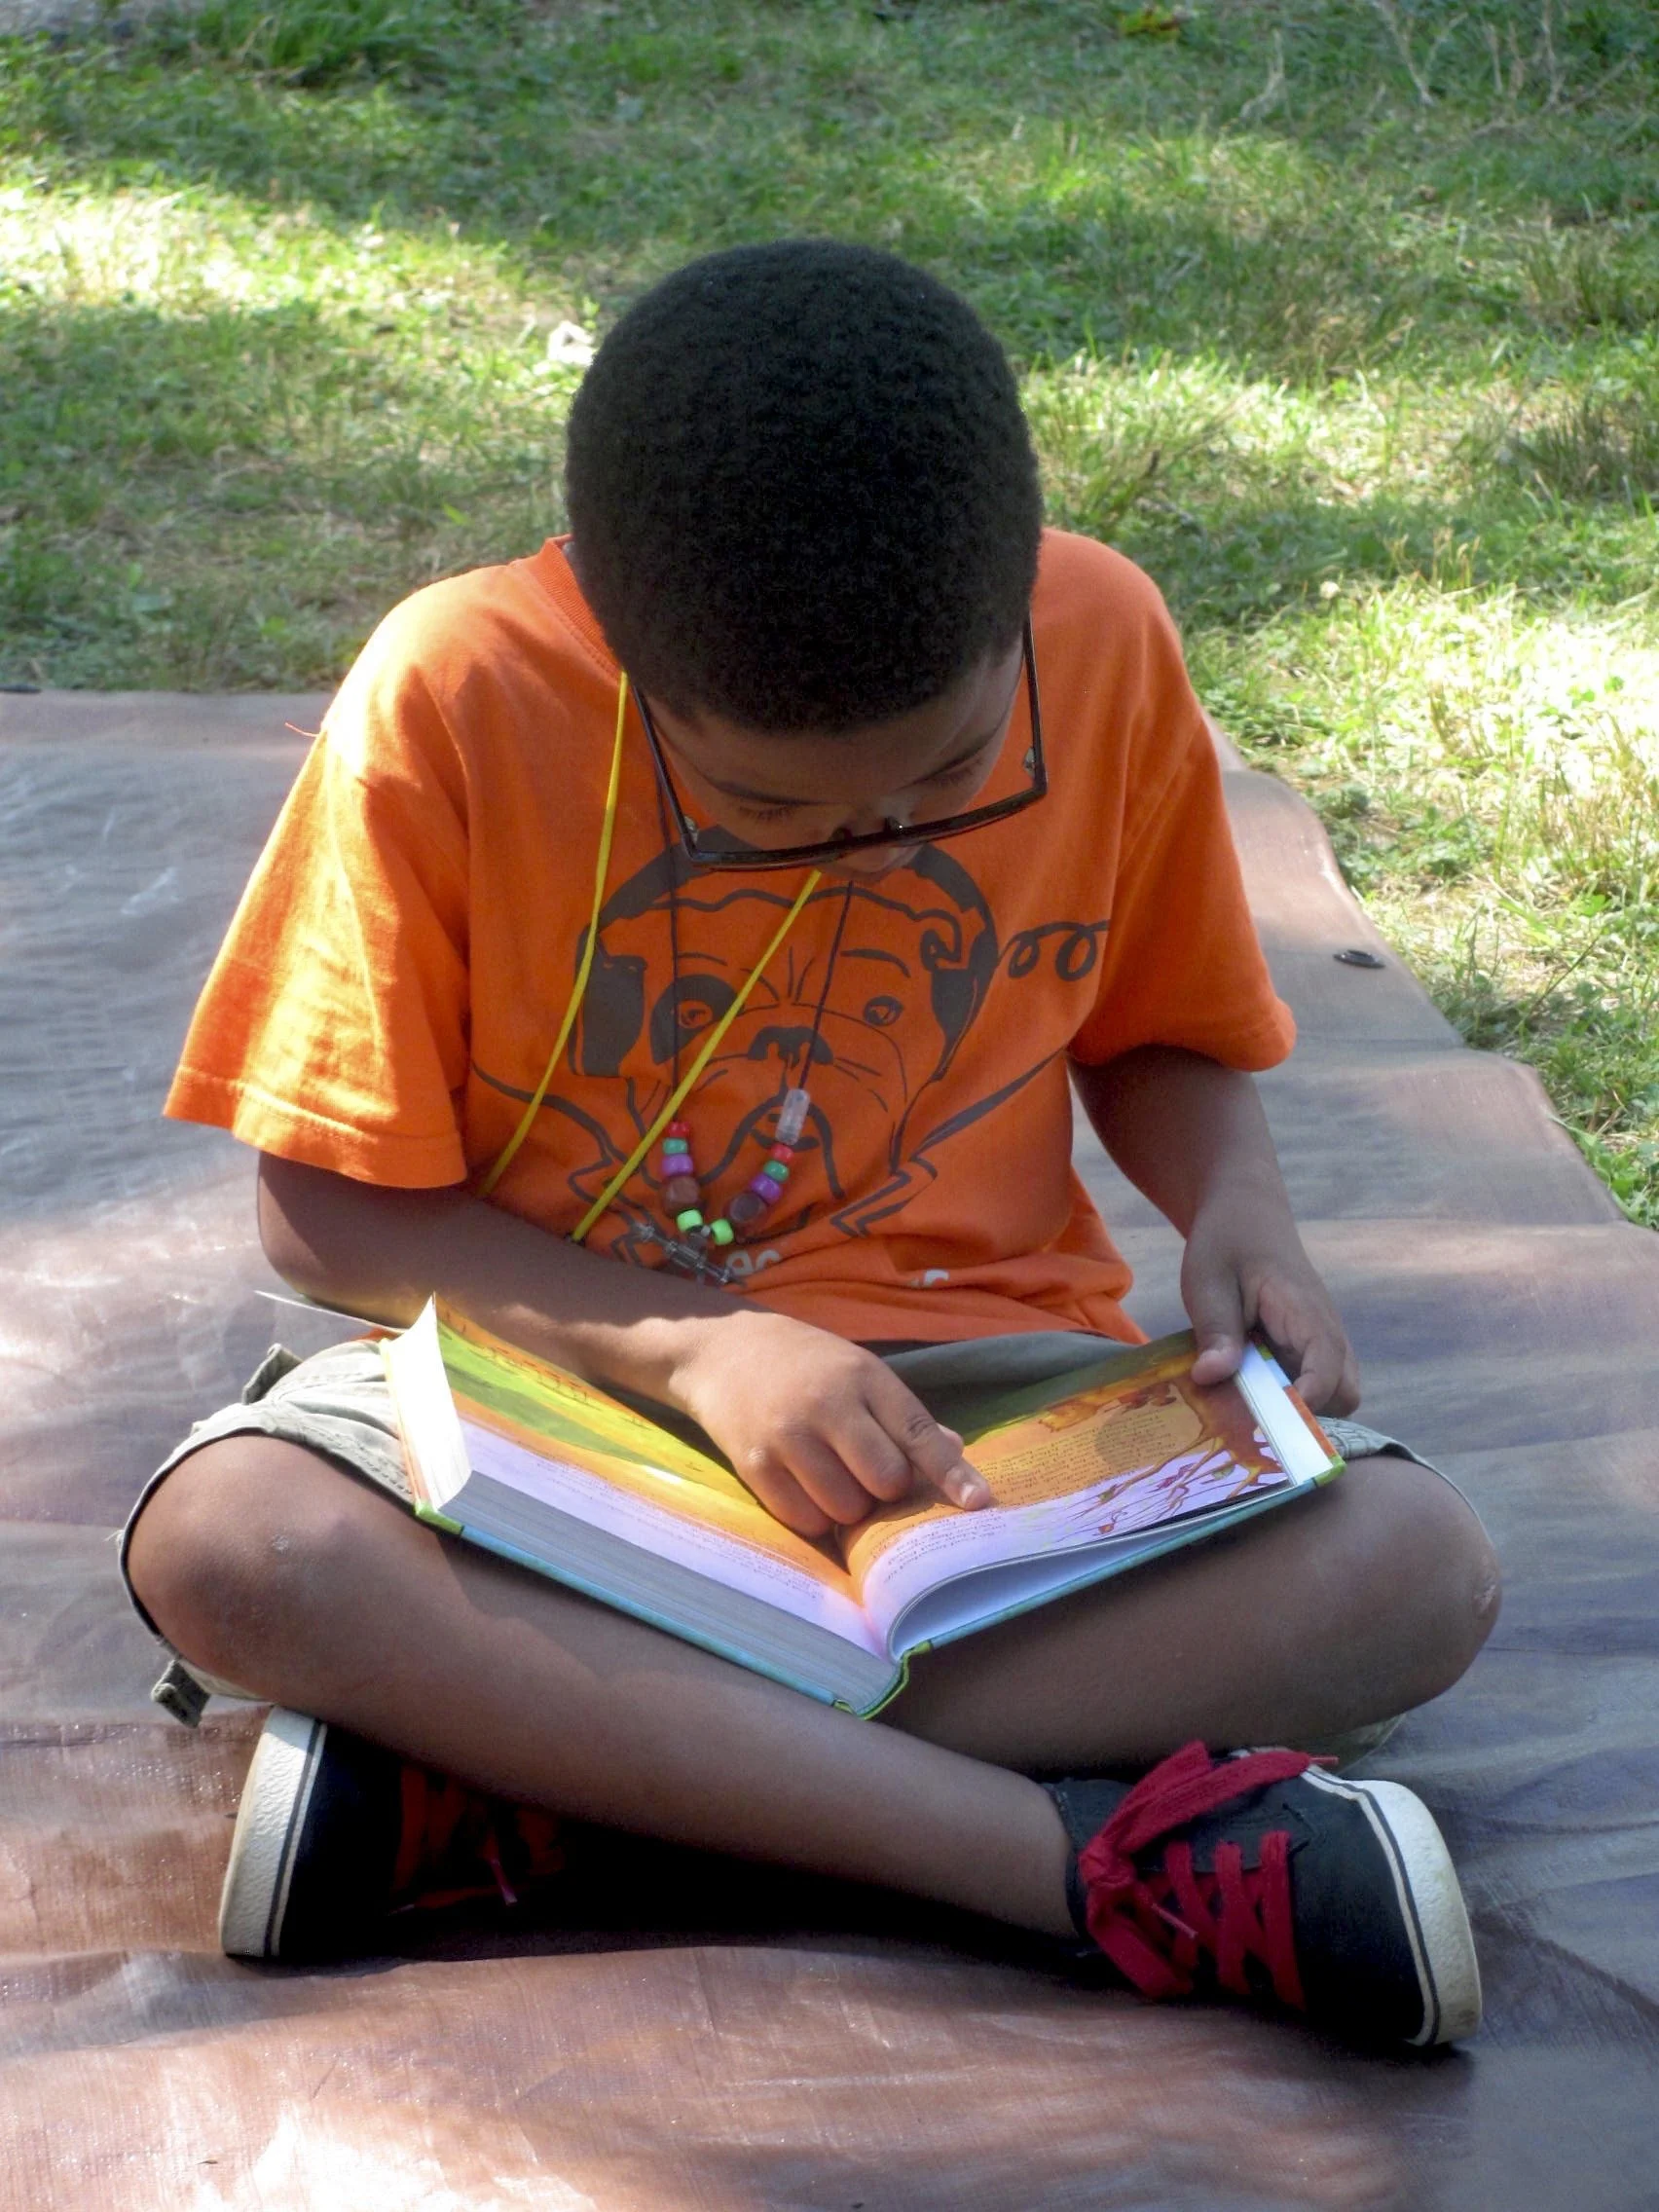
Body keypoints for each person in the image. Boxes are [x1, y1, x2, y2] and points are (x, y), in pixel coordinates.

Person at [123, 240, 1499, 2046]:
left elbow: (1159, 1028)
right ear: (620, 644)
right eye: (771, 808)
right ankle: (1067, 1865)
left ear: (1018, 607)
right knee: (240, 1544)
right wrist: (701, 1344)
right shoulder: (457, 693)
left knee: (1415, 1570)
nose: (874, 838)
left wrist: (1242, 1206)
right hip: (573, 1403)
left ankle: (560, 1774)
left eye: (945, 782)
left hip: (984, 1424)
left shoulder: (1107, 640)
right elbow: (322, 1216)